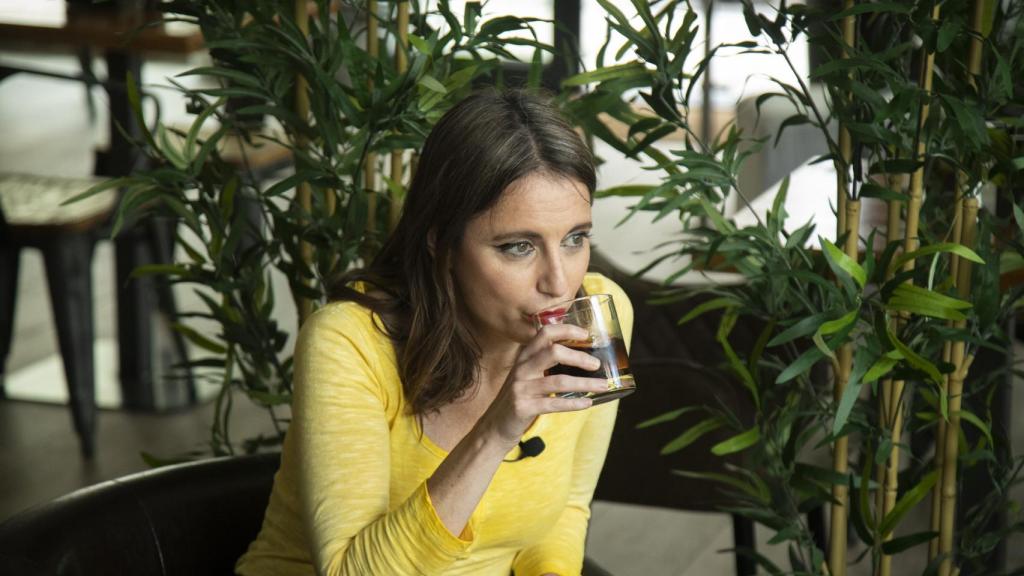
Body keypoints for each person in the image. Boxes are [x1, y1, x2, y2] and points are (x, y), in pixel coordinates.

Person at [236, 89, 633, 576]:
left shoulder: (594, 317)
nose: (558, 282)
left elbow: (565, 510)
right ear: (441, 243)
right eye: (518, 247)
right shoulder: (348, 343)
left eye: (575, 238)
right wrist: (496, 430)